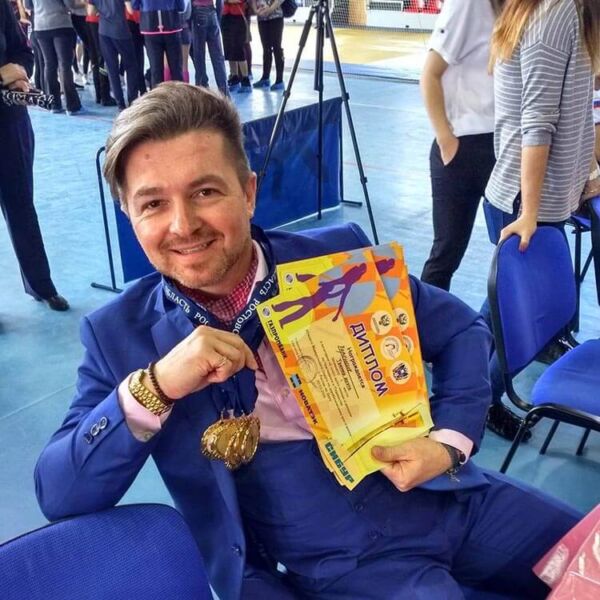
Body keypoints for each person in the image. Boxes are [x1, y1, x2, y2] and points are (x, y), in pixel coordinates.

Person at [35, 83, 581, 599]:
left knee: (591, 555)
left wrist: (449, 442)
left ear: (248, 192)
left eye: (205, 191)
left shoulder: (338, 259)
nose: (183, 225)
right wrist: (155, 388)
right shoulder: (119, 335)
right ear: (130, 215)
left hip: (453, 497)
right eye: (153, 203)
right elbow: (60, 492)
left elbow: (460, 328)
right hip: (343, 560)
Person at [483, 0, 598, 440]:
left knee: (498, 317)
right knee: (514, 326)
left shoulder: (570, 12)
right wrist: (529, 212)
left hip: (540, 203)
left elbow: (577, 111)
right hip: (524, 206)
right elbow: (537, 122)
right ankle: (480, 402)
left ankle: (465, 389)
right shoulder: (558, 11)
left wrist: (588, 177)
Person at [420, 0, 503, 291]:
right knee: (447, 252)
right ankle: (426, 318)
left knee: (514, 248)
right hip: (463, 148)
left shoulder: (511, 7)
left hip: (501, 145)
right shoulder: (468, 4)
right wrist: (446, 139)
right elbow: (429, 74)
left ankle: (500, 319)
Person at [0, 0, 69, 311]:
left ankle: (41, 284)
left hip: (10, 122)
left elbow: (22, 51)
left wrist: (19, 74)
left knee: (22, 206)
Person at [24, 0, 84, 114]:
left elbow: (28, 5)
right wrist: (84, 4)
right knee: (64, 66)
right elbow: (70, 4)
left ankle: (54, 104)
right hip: (60, 24)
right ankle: (72, 105)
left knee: (49, 65)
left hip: (40, 26)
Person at [89, 0, 141, 109]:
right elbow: (131, 10)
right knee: (131, 66)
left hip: (104, 31)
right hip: (121, 30)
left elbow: (90, 12)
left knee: (112, 69)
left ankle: (120, 103)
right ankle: (132, 100)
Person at [128, 0, 184, 87]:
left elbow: (135, 5)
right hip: (171, 26)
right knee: (176, 70)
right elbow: (181, 7)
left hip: (150, 27)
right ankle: (179, 95)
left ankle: (158, 95)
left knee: (156, 71)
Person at [190, 0, 228, 95]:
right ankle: (224, 93)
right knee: (218, 58)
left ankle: (202, 92)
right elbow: (220, 2)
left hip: (197, 12)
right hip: (212, 12)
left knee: (199, 57)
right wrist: (218, 16)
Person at [250, 0, 284, 91]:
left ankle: (279, 80)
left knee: (277, 47)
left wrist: (270, 9)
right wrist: (256, 10)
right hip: (262, 18)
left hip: (276, 16)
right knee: (266, 48)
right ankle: (265, 77)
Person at [222, 0, 250, 92]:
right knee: (229, 48)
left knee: (239, 48)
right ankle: (234, 76)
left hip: (238, 17)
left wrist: (227, 1)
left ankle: (245, 79)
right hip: (226, 16)